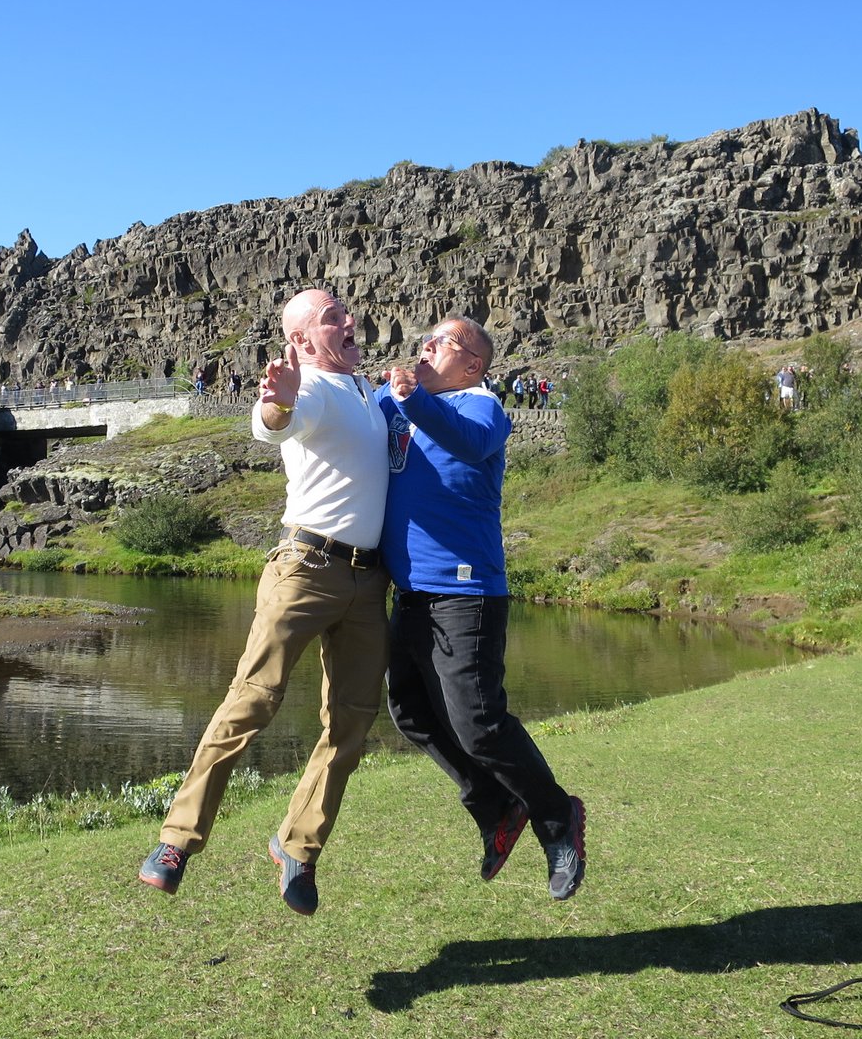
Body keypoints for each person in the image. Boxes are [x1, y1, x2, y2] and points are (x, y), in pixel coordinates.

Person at [139, 289, 389, 915]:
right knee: (253, 701)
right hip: (305, 567)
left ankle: (297, 848)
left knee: (353, 723)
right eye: (333, 317)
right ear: (301, 342)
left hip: (368, 582)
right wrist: (275, 403)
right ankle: (176, 841)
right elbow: (275, 422)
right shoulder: (311, 390)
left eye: (345, 311)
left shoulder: (370, 394)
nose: (349, 320)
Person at [378, 316, 587, 900]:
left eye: (439, 344)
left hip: (467, 593)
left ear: (473, 363)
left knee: (479, 722)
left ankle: (556, 820)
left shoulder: (481, 407)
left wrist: (412, 395)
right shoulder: (396, 404)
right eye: (423, 341)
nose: (424, 348)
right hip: (412, 593)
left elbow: (465, 441)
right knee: (411, 713)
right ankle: (496, 808)